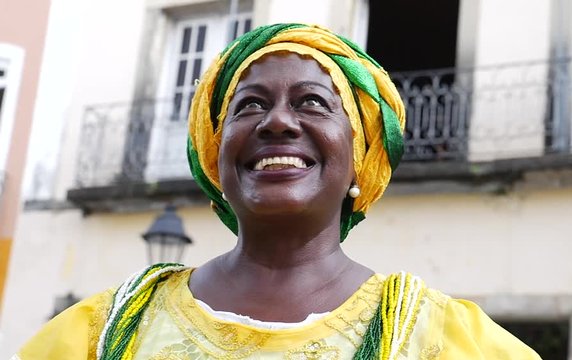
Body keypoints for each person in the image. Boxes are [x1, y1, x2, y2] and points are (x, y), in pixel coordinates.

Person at [15, 24, 541, 359]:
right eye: (248, 105)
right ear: (217, 159)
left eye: (312, 102)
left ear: (359, 157)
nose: (277, 122)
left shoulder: (441, 338)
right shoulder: (103, 332)